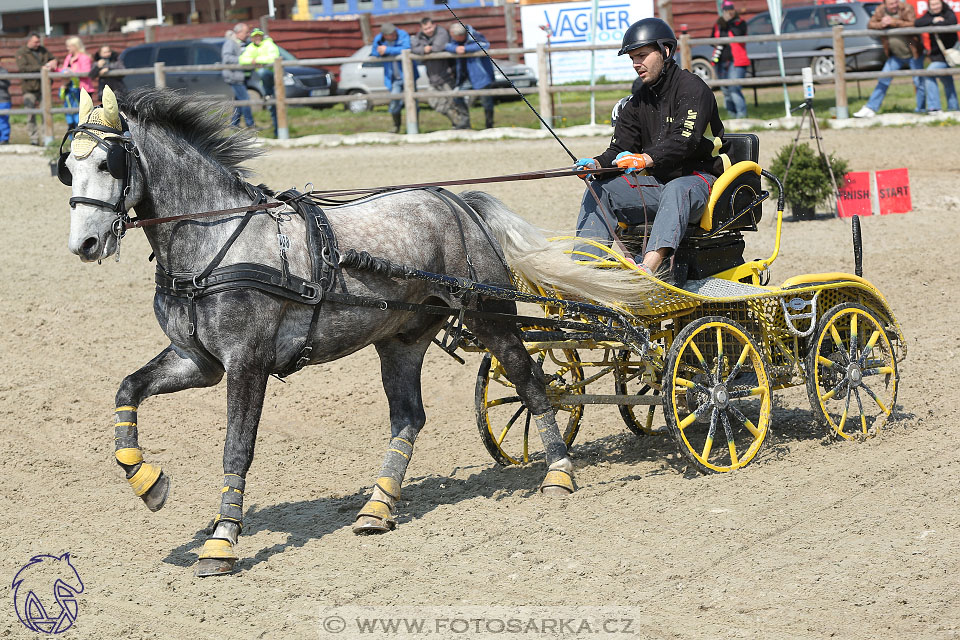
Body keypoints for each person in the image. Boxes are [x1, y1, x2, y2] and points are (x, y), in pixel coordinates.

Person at [573, 18, 732, 280]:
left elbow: (686, 140)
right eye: (633, 58)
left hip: (703, 181)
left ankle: (648, 266)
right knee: (601, 188)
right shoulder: (636, 103)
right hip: (660, 185)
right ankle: (584, 267)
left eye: (642, 56)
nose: (637, 64)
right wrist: (596, 165)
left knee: (676, 188)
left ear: (666, 51)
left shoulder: (694, 89)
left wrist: (645, 159)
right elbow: (619, 149)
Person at [854, 0, 923, 118]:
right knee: (883, 80)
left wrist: (893, 22)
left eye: (895, 2)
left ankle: (921, 109)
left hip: (913, 52)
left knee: (919, 82)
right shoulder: (880, 10)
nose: (894, 5)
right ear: (885, 4)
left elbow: (913, 23)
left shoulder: (907, 8)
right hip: (895, 55)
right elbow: (870, 24)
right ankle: (871, 108)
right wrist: (882, 23)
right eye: (891, 3)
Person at [411, 17, 470, 129]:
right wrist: (424, 50)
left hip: (447, 74)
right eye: (425, 28)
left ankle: (465, 124)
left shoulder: (442, 32)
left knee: (455, 101)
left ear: (434, 25)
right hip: (432, 76)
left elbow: (439, 46)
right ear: (422, 29)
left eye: (429, 27)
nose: (428, 30)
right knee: (434, 101)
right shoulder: (420, 36)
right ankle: (457, 122)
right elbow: (414, 48)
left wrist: (426, 50)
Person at [446, 22, 496, 129]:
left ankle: (489, 125)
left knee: (486, 102)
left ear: (461, 36)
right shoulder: (454, 39)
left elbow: (485, 44)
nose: (452, 38)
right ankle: (465, 123)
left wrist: (465, 49)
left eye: (454, 37)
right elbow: (447, 46)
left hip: (481, 75)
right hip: (464, 76)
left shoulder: (475, 35)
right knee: (457, 97)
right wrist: (455, 48)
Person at [372, 23, 418, 134]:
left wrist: (387, 50)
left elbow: (406, 48)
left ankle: (414, 128)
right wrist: (380, 52)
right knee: (394, 102)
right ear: (385, 35)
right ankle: (396, 126)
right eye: (390, 35)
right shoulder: (379, 39)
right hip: (394, 77)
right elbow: (374, 52)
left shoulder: (402, 34)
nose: (394, 35)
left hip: (409, 76)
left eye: (394, 33)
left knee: (413, 103)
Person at [916, 0, 958, 113]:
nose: (935, 7)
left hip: (947, 54)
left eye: (937, 4)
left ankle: (934, 108)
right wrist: (933, 20)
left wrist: (936, 24)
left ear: (942, 4)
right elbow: (918, 23)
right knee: (947, 81)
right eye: (932, 5)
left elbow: (952, 21)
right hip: (937, 55)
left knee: (929, 73)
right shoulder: (929, 15)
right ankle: (954, 108)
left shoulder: (948, 12)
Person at [15, 33, 56, 146]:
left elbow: (53, 59)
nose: (38, 44)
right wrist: (41, 68)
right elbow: (23, 68)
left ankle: (46, 138)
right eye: (35, 42)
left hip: (44, 88)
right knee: (31, 114)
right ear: (29, 41)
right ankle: (34, 139)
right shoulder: (21, 52)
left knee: (46, 113)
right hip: (29, 88)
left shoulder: (43, 50)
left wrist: (54, 62)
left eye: (38, 42)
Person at [712, 0, 750, 119]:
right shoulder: (718, 24)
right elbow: (712, 39)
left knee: (734, 88)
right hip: (721, 60)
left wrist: (729, 23)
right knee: (726, 90)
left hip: (736, 60)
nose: (729, 12)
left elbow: (738, 34)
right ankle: (731, 115)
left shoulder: (740, 23)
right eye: (726, 10)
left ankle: (741, 115)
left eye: (730, 10)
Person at [238, 28, 280, 135]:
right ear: (252, 38)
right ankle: (277, 132)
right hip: (264, 83)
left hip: (275, 79)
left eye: (259, 36)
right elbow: (242, 60)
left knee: (263, 72)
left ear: (262, 36)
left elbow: (274, 58)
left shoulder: (269, 44)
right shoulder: (251, 47)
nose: (257, 38)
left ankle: (280, 131)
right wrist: (255, 61)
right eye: (255, 36)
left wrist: (257, 60)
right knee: (272, 107)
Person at [58, 37, 95, 132]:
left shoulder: (84, 57)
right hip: (71, 89)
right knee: (72, 114)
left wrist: (72, 71)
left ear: (76, 46)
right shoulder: (69, 57)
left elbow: (86, 72)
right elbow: (65, 70)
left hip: (83, 89)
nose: (68, 48)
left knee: (84, 115)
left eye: (69, 46)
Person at [222, 23, 254, 128]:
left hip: (241, 76)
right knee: (245, 99)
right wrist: (243, 61)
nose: (248, 34)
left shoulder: (244, 43)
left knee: (239, 101)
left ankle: (234, 124)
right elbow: (226, 59)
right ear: (239, 33)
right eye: (246, 32)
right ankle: (250, 125)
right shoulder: (231, 43)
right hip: (234, 76)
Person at [0, 67, 10, 145]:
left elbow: (7, 83)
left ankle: (4, 139)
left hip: (3, 99)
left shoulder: (3, 71)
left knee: (3, 120)